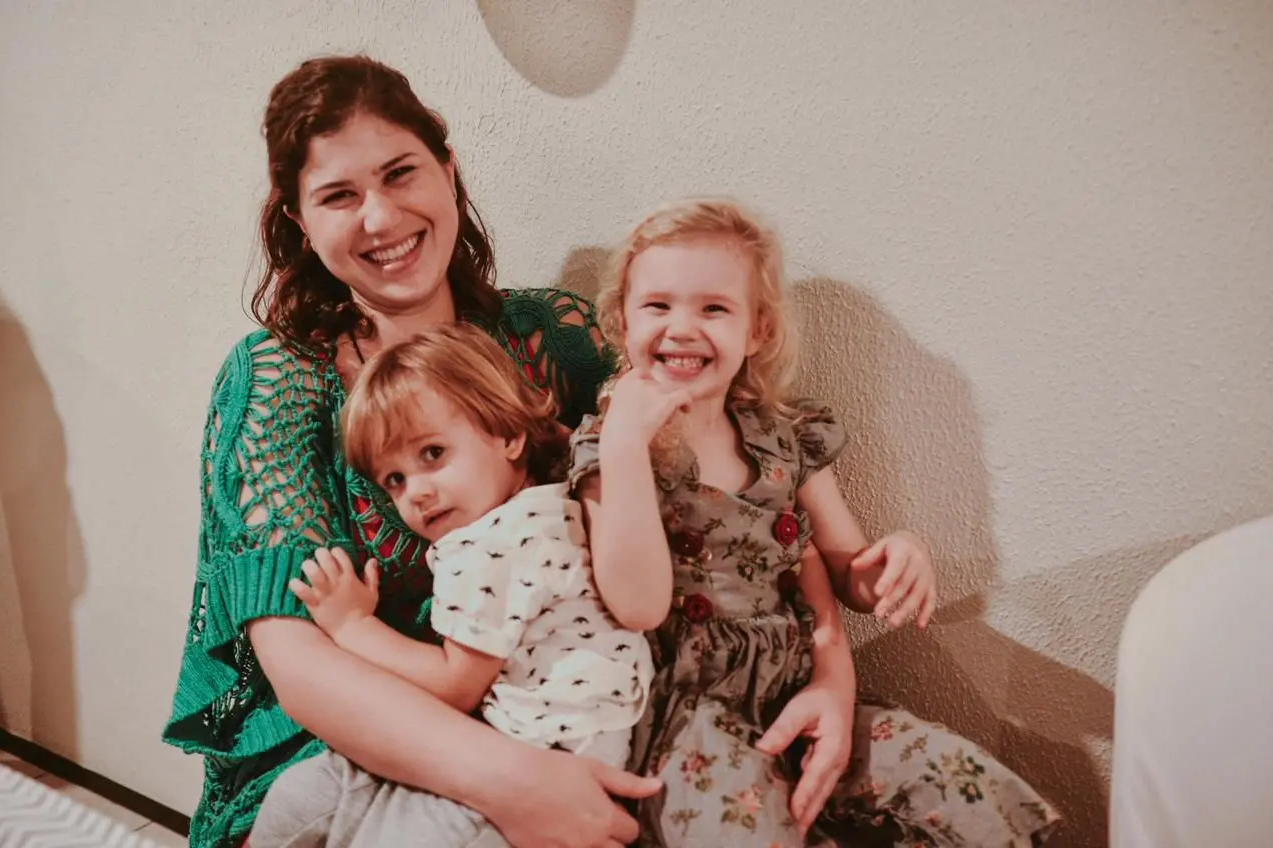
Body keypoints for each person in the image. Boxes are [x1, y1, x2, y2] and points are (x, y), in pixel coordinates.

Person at [162, 55, 660, 848]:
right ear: (299, 220)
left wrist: (829, 655)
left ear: (448, 169)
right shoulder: (280, 380)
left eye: (400, 174)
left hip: (553, 716)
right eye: (338, 196)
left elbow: (697, 491)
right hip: (344, 751)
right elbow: (298, 664)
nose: (381, 218)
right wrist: (516, 783)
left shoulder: (555, 338)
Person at [569, 197, 1061, 846]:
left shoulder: (786, 435)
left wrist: (895, 556)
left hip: (802, 688)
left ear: (757, 333)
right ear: (620, 324)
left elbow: (847, 569)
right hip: (685, 722)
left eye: (713, 308)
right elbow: (633, 604)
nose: (682, 327)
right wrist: (629, 444)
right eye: (657, 306)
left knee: (965, 785)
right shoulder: (608, 448)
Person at [248, 324, 655, 847]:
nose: (416, 492)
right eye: (393, 479)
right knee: (306, 791)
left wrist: (352, 625)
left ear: (508, 436)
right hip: (541, 737)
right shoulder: (550, 505)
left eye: (432, 454)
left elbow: (454, 685)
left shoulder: (489, 546)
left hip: (547, 758)